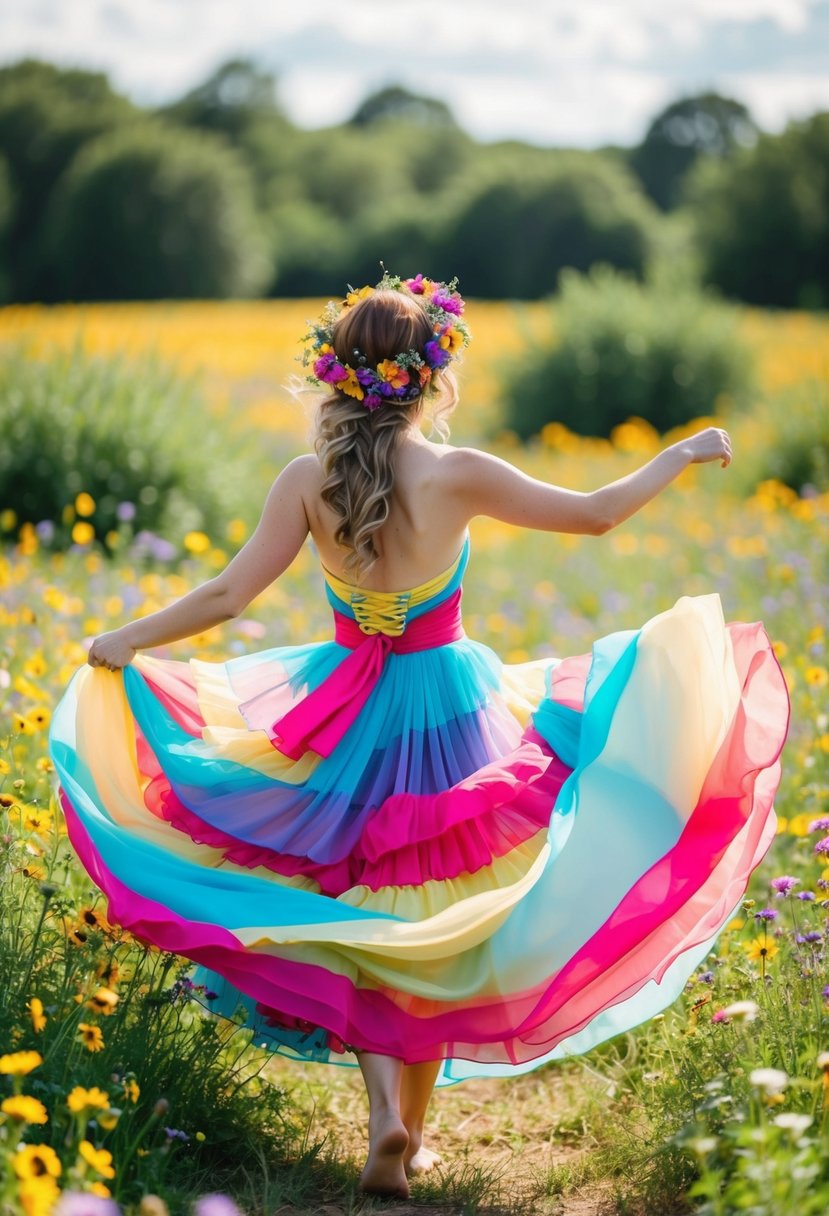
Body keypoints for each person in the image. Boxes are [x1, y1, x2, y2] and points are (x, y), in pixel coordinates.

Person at [50, 273, 789, 1199]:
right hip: (449, 705)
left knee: (358, 900)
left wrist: (127, 639)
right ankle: (412, 1128)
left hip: (343, 715)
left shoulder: (305, 480)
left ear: (335, 375)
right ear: (431, 376)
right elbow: (598, 513)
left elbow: (228, 595)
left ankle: (383, 1123)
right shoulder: (455, 472)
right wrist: (677, 452)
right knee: (434, 912)